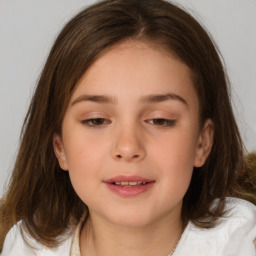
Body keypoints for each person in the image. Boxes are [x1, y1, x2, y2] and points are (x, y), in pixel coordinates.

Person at [0, 0, 255, 255]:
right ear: (60, 147)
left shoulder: (241, 244)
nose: (128, 147)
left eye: (159, 120)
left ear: (202, 142)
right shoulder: (26, 247)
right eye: (97, 120)